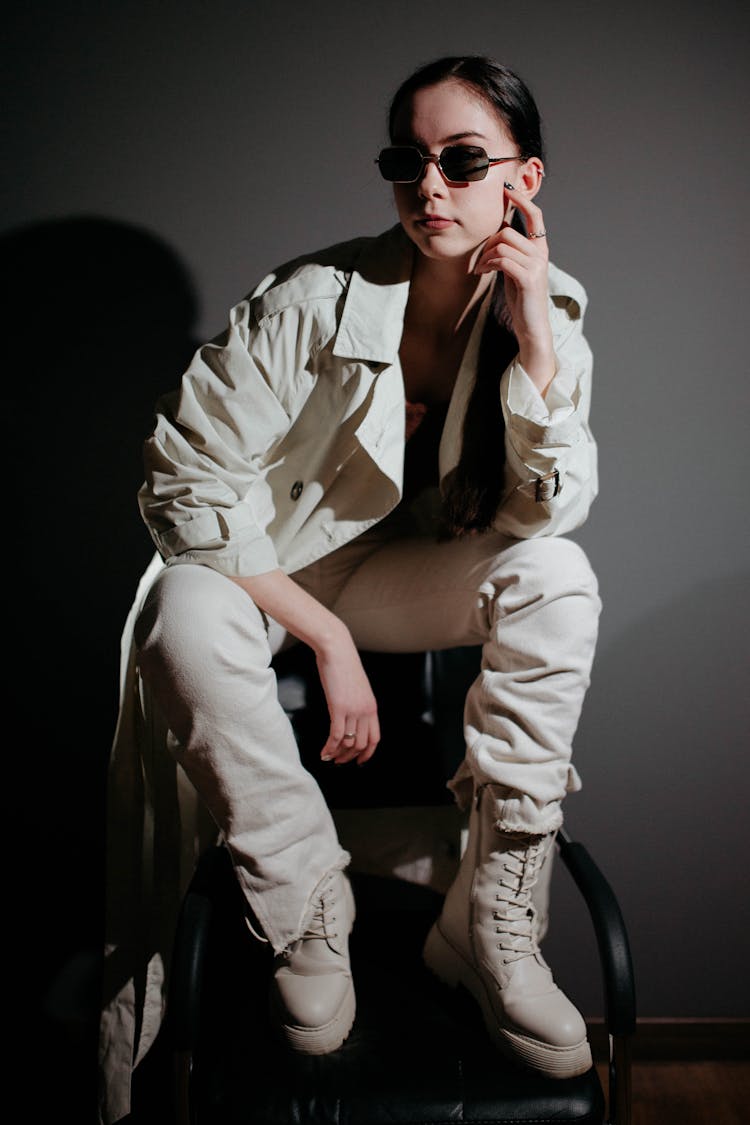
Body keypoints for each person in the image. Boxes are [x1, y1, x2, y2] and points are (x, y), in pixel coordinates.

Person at [98, 54, 601, 1123]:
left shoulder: (543, 311)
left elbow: (541, 518)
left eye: (464, 161)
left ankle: (493, 928)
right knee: (178, 611)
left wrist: (538, 341)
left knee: (558, 574)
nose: (430, 187)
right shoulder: (310, 301)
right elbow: (179, 482)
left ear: (526, 180)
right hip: (264, 573)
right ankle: (305, 908)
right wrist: (324, 637)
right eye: (405, 162)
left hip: (391, 578)